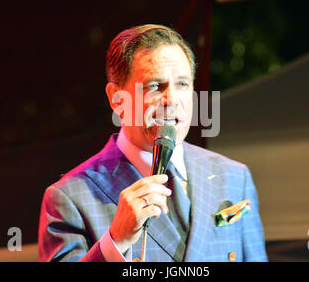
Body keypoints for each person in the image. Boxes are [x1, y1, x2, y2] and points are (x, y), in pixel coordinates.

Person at [38, 24, 268, 262]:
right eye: (155, 86)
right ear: (117, 99)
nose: (172, 100)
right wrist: (116, 241)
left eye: (182, 84)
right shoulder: (70, 197)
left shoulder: (232, 176)